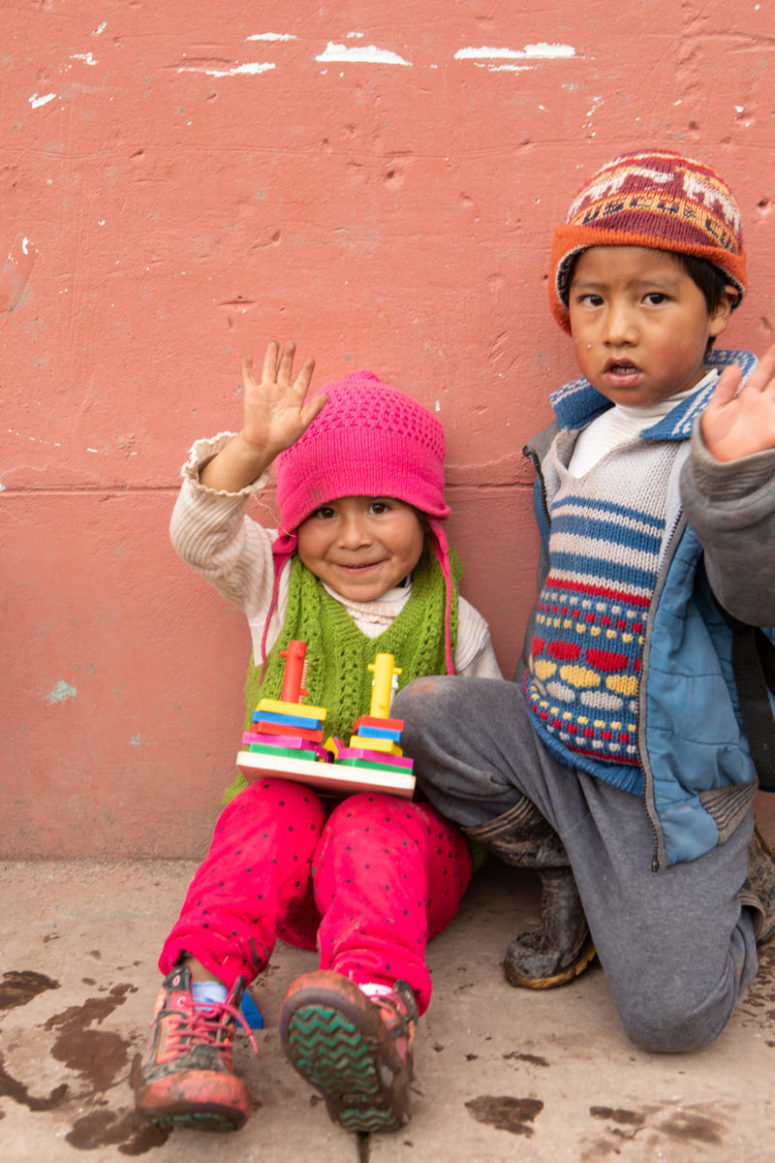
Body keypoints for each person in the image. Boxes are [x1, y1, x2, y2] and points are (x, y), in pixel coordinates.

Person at [393, 149, 775, 1051]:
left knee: (672, 1018)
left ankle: (744, 885)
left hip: (663, 786)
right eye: (591, 300)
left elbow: (754, 596)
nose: (616, 328)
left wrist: (738, 485)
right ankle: (567, 865)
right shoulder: (574, 435)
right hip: (558, 737)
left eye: (654, 298)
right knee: (425, 711)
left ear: (719, 307)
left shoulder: (726, 444)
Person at [134, 341, 501, 1134]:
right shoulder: (273, 587)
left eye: (380, 506)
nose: (354, 536)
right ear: (293, 525)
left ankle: (374, 1016)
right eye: (324, 512)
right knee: (268, 800)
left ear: (426, 512)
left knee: (374, 818)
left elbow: (488, 757)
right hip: (289, 883)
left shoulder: (453, 624)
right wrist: (255, 450)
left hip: (400, 875)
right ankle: (202, 1006)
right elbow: (199, 536)